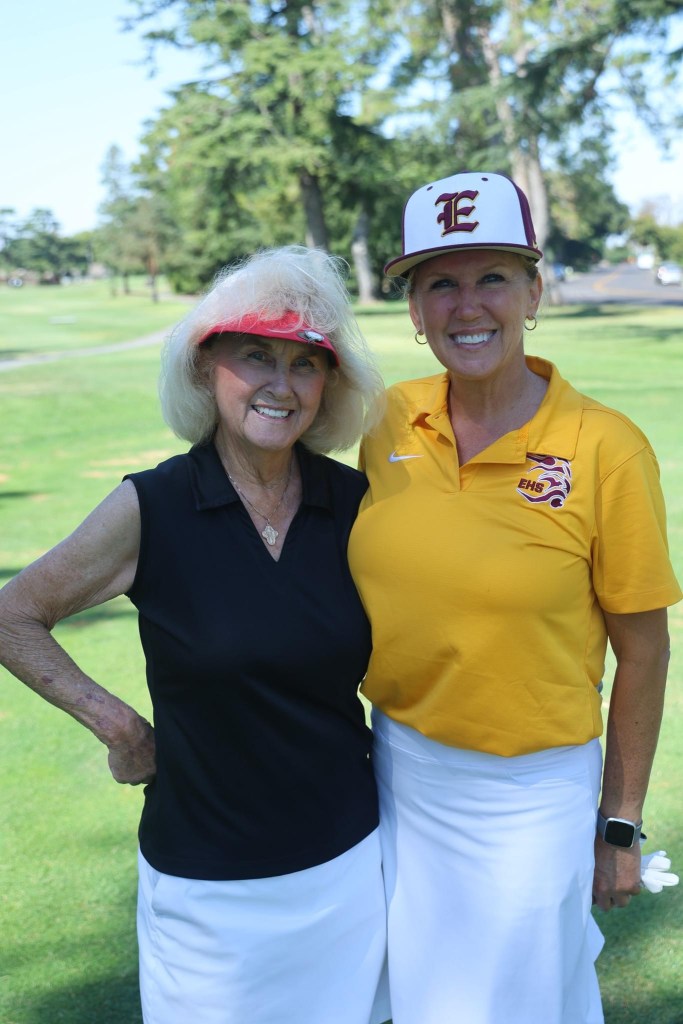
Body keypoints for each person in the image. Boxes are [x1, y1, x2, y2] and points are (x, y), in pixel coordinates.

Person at [0, 245, 391, 1024]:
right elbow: (14, 615)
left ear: (330, 382)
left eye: (305, 364)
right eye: (255, 357)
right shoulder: (154, 506)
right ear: (207, 366)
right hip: (205, 887)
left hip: (348, 868)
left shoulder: (354, 503)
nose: (281, 385)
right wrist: (118, 726)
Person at [348, 171, 682, 1024]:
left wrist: (618, 824)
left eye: (492, 277)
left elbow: (644, 652)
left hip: (529, 795)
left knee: (508, 1002)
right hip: (398, 772)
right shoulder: (386, 421)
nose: (467, 306)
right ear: (414, 310)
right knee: (420, 995)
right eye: (439, 283)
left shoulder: (605, 447)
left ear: (533, 293)